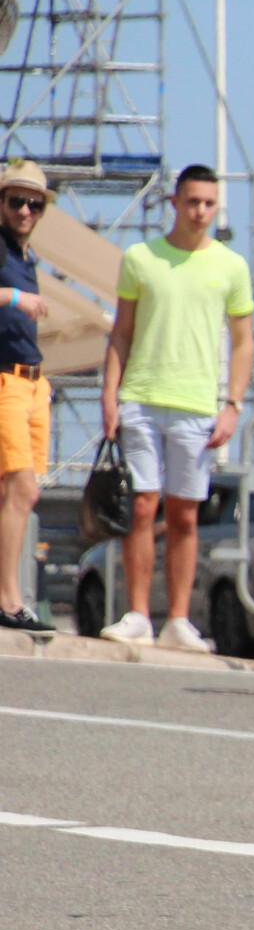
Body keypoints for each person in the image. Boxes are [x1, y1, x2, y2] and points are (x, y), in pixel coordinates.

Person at [98, 163, 254, 651]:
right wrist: (110, 393)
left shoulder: (231, 265)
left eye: (209, 203)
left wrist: (232, 404)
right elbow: (121, 331)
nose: (201, 212)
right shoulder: (141, 258)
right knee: (142, 505)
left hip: (196, 404)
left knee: (185, 515)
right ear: (175, 202)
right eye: (192, 202)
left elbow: (244, 340)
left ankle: (180, 619)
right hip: (141, 398)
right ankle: (139, 613)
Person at [0, 161, 54, 632]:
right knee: (22, 488)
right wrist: (16, 299)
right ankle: (9, 598)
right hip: (5, 380)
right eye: (16, 200)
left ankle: (8, 595)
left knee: (15, 490)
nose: (24, 210)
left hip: (32, 380)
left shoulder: (25, 255)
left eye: (33, 203)